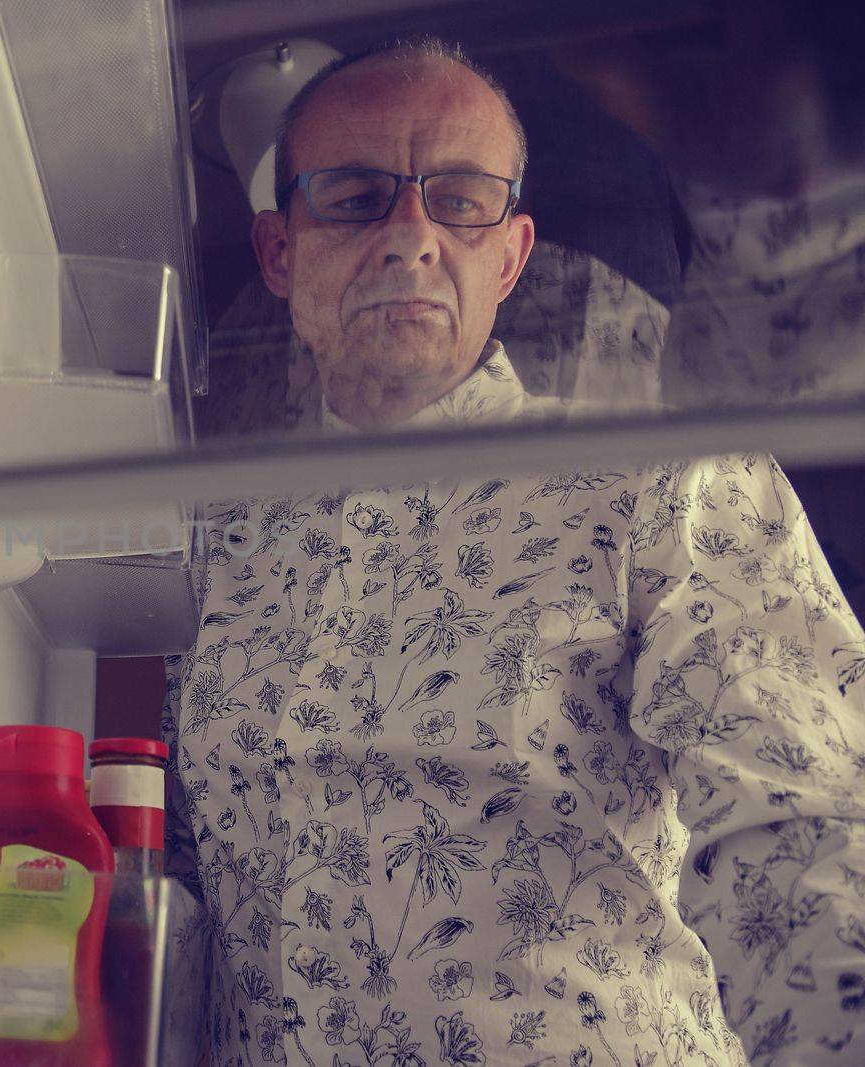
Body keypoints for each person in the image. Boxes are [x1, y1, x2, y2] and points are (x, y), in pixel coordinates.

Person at [162, 37, 865, 1067]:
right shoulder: (214, 532)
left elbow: (801, 813)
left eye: (458, 199)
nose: (409, 237)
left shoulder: (658, 474)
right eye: (356, 197)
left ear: (509, 255)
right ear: (279, 253)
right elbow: (180, 853)